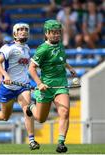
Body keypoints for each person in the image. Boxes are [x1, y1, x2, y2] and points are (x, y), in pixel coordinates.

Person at [0, 23, 40, 150]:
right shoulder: (7, 47)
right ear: (15, 33)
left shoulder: (27, 48)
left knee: (27, 109)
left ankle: (32, 141)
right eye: (20, 30)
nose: (23, 31)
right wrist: (5, 76)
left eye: (26, 29)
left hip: (23, 86)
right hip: (8, 88)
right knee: (5, 116)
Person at [26, 19, 77, 153]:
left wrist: (69, 67)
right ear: (47, 33)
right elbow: (31, 68)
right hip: (46, 87)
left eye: (58, 32)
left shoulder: (60, 45)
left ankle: (61, 143)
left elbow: (61, 59)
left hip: (61, 84)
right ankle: (31, 106)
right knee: (40, 119)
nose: (56, 35)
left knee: (65, 112)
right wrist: (39, 84)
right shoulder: (43, 49)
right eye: (53, 33)